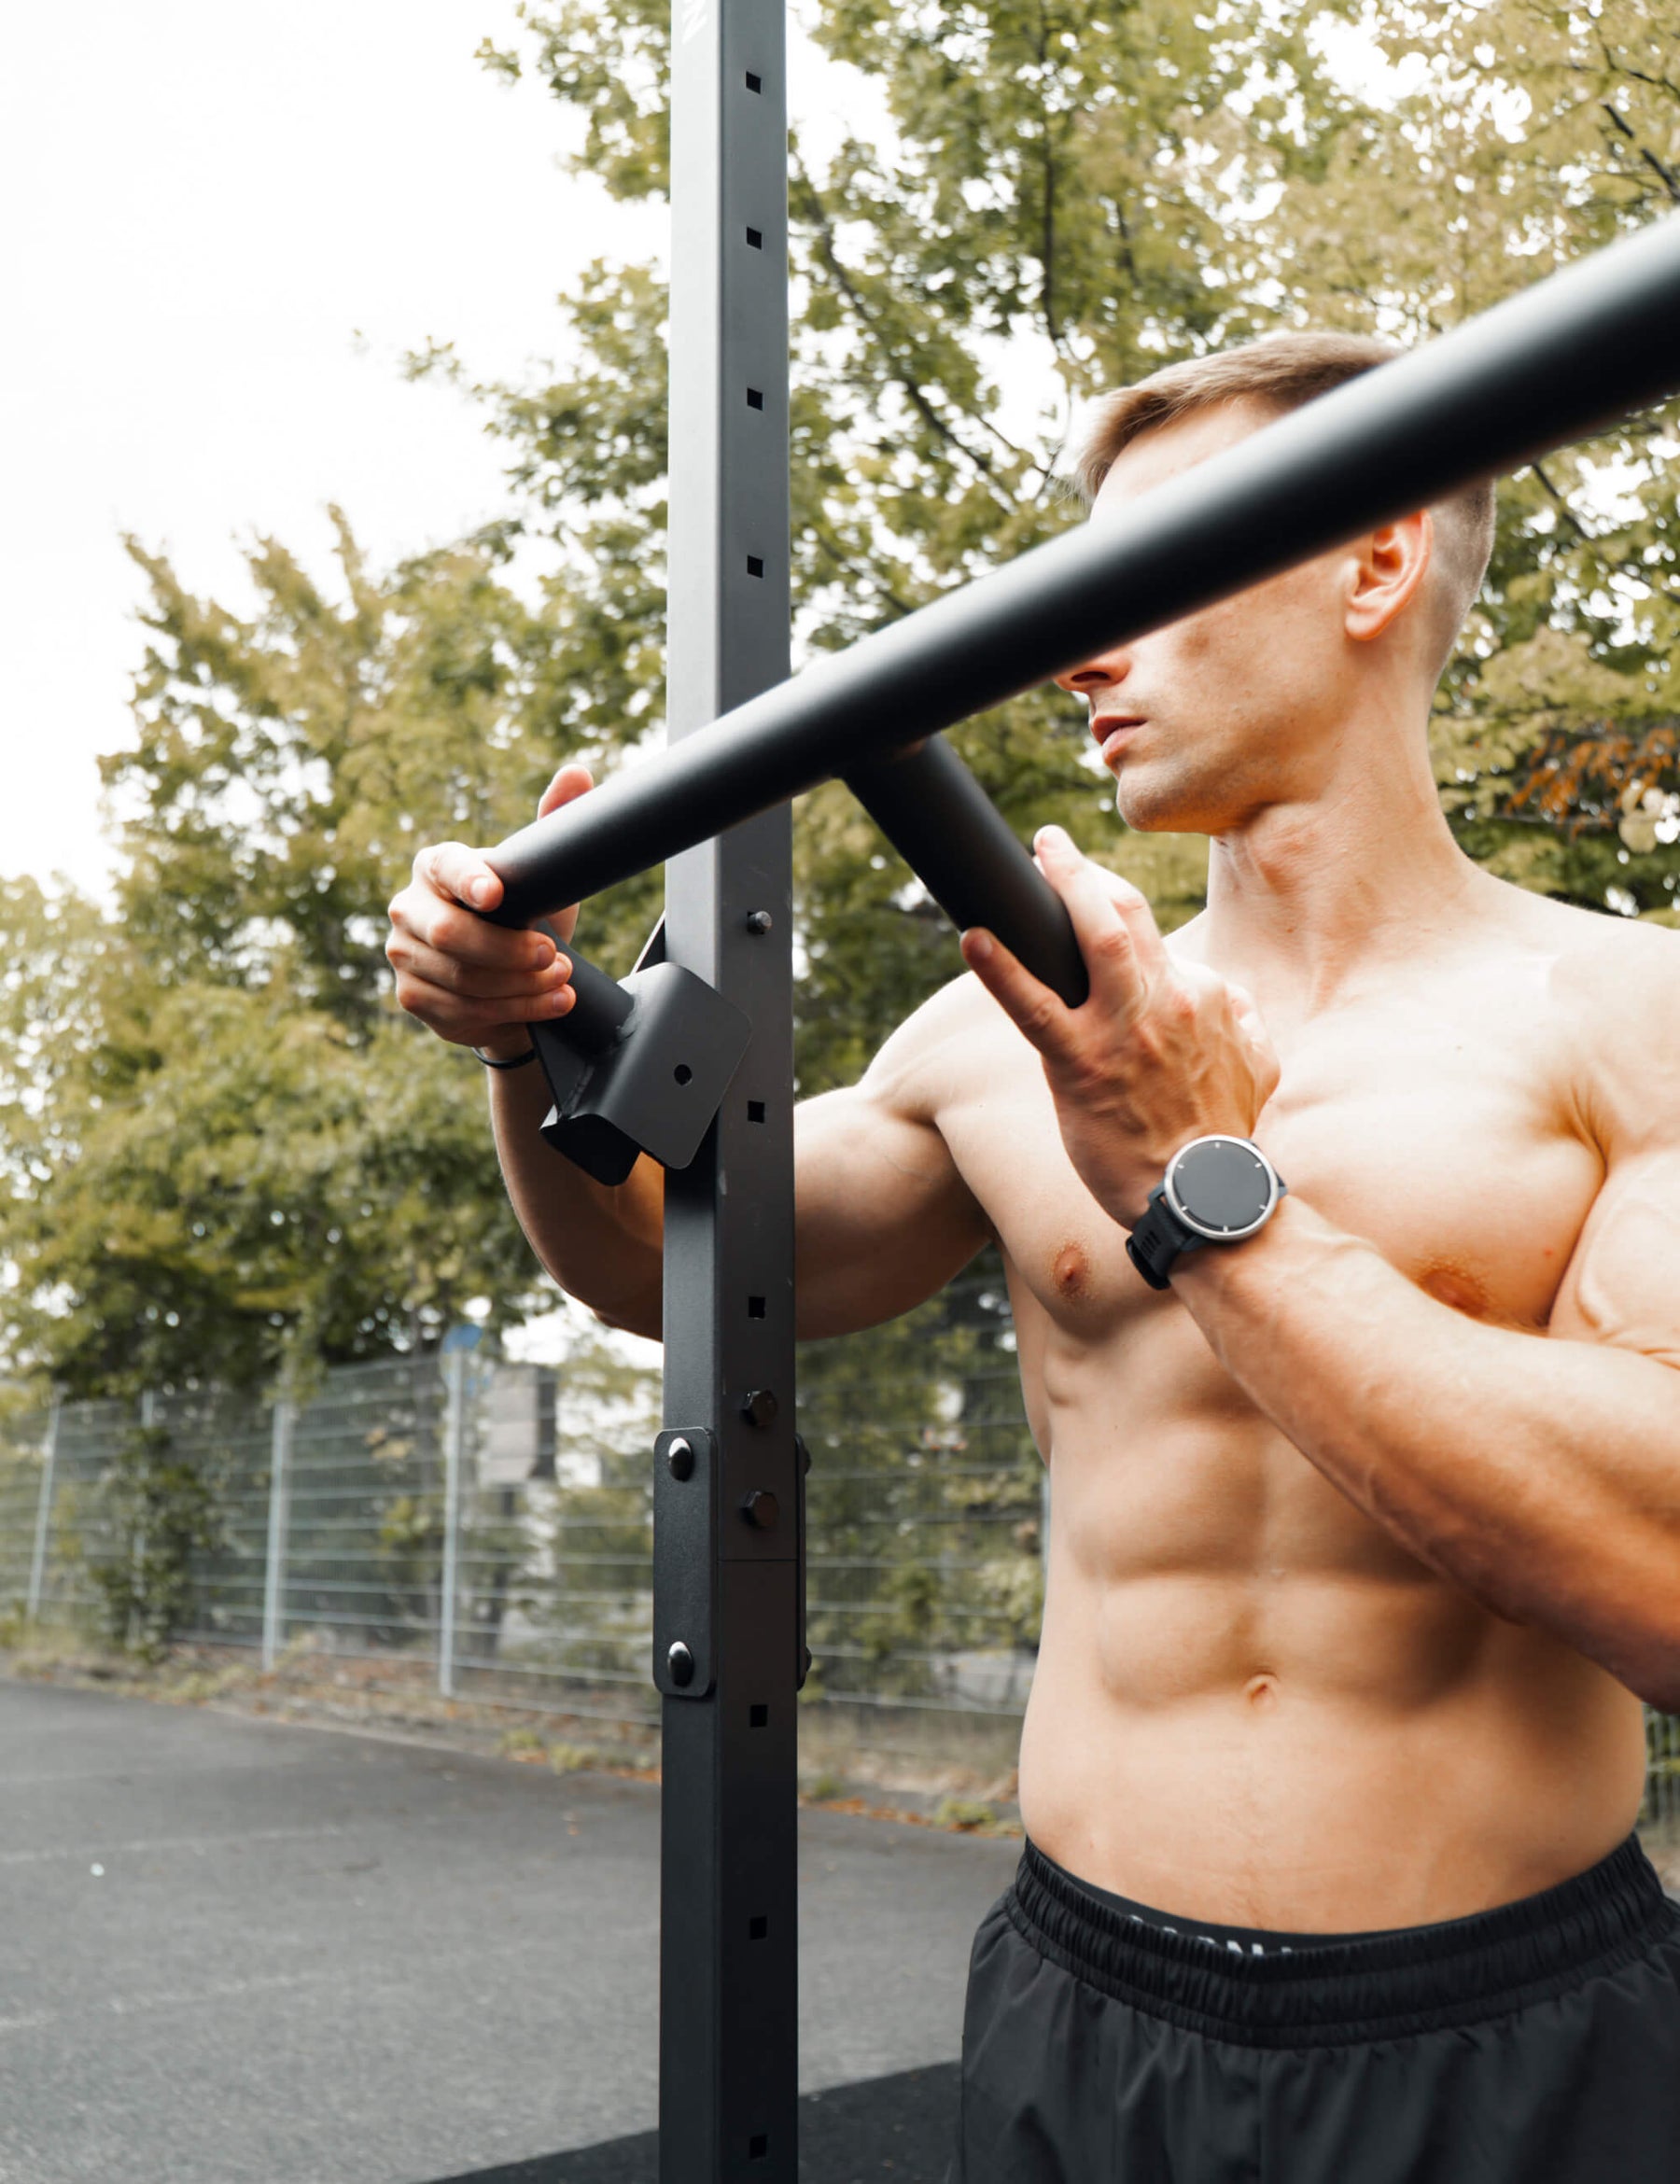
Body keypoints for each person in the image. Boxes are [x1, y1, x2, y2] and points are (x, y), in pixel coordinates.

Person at [386, 331, 1680, 2181]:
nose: (1082, 645)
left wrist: (1205, 1188)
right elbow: (663, 1255)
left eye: (1144, 575)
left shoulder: (1631, 1012)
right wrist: (529, 1040)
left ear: (1372, 565)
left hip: (1505, 2034)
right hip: (1084, 2015)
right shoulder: (998, 1036)